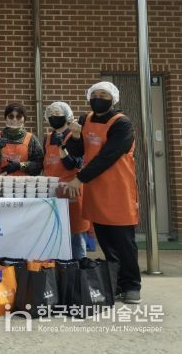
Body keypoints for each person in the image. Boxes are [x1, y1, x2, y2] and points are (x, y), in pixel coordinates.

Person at [65, 81, 141, 304]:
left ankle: (132, 285)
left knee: (123, 241)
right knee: (106, 241)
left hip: (118, 190)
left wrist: (79, 178)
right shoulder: (85, 119)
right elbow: (77, 151)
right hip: (96, 189)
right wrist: (76, 136)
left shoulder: (122, 124)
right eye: (95, 94)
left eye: (104, 95)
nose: (98, 98)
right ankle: (115, 282)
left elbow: (107, 157)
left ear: (113, 99)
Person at [41, 101, 89, 260]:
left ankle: (79, 266)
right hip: (52, 192)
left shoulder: (74, 136)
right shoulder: (47, 138)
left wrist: (62, 149)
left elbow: (74, 164)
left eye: (57, 114)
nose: (54, 117)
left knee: (75, 233)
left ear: (67, 116)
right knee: (55, 232)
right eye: (51, 114)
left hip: (71, 189)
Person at [0, 102, 43, 176]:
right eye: (11, 116)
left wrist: (20, 165)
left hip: (25, 182)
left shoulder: (31, 139)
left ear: (24, 119)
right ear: (6, 118)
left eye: (18, 116)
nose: (14, 119)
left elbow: (39, 165)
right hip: (1, 181)